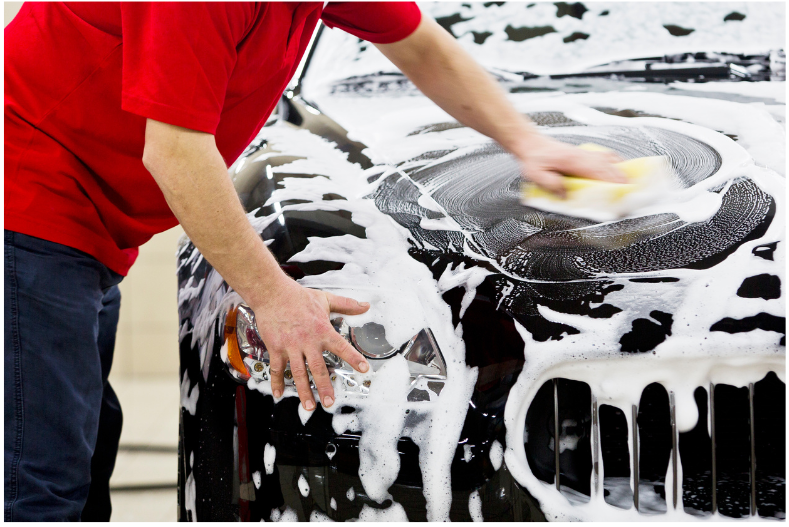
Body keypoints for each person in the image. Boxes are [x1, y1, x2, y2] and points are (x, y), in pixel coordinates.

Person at [4, 2, 624, 521]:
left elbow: (419, 44)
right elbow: (176, 155)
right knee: (40, 478)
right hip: (26, 204)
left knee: (76, 459)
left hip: (82, 229)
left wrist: (530, 142)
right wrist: (274, 297)